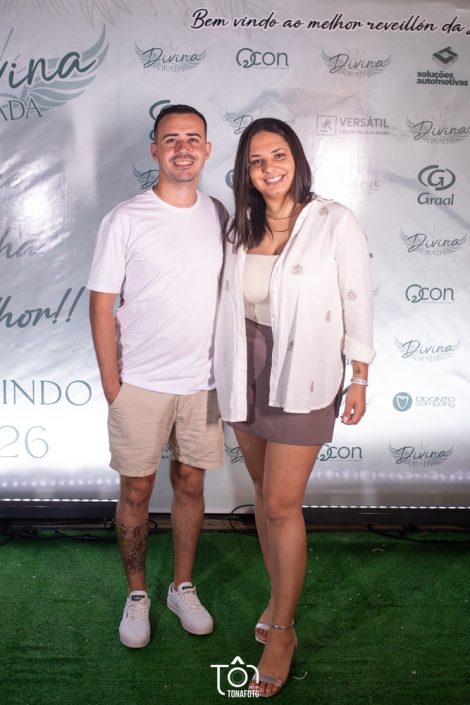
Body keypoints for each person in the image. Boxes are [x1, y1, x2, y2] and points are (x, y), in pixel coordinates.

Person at [214, 117, 375, 697]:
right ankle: (278, 594)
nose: (268, 168)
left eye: (277, 155)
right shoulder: (240, 224)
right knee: (262, 493)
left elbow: (357, 297)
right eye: (256, 161)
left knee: (282, 502)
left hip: (305, 366)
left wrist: (360, 374)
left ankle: (282, 630)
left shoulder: (333, 220)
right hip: (244, 364)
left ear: (297, 159)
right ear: (246, 171)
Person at [87, 104, 227, 648]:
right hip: (140, 383)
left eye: (192, 138)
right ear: (155, 150)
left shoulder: (220, 214)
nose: (182, 148)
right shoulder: (126, 218)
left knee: (191, 483)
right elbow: (101, 304)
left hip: (202, 383)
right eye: (171, 139)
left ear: (207, 150)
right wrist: (112, 386)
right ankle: (138, 593)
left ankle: (181, 586)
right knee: (137, 488)